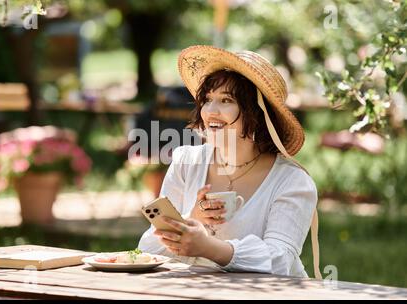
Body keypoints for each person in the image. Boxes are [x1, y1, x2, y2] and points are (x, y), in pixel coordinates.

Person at [138, 45, 321, 279]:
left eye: (226, 100)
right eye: (207, 99)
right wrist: (191, 219)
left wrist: (209, 248)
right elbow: (147, 251)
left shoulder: (292, 181)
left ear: (256, 114)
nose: (211, 111)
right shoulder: (187, 161)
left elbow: (280, 259)